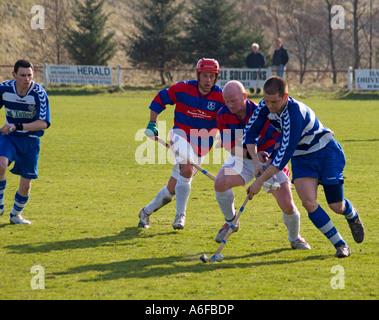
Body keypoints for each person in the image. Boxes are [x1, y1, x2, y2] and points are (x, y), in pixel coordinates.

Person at [243, 76, 364, 258]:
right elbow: (250, 132)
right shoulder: (265, 105)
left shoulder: (295, 114)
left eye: (274, 102)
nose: (270, 106)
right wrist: (255, 161)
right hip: (302, 157)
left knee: (336, 205)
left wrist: (259, 182)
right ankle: (340, 245)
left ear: (285, 96)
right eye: (267, 101)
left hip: (326, 153)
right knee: (308, 202)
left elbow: (282, 157)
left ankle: (352, 216)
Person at [214, 80, 310, 250]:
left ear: (244, 96)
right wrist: (253, 156)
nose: (229, 105)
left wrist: (268, 160)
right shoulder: (222, 115)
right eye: (226, 101)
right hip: (244, 159)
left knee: (287, 205)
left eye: (233, 101)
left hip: (270, 160)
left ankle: (295, 238)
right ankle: (231, 222)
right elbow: (229, 146)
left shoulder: (264, 110)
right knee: (220, 183)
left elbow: (281, 142)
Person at [138, 58, 225, 230]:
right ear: (198, 75)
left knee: (172, 189)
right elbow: (159, 99)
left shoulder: (221, 97)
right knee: (187, 168)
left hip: (202, 146)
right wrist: (152, 123)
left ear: (216, 78)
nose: (208, 80)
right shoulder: (183, 88)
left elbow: (233, 116)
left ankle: (145, 212)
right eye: (204, 76)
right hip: (180, 136)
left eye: (212, 77)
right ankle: (180, 215)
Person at [0, 59, 51, 224]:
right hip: (10, 138)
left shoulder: (39, 94)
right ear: (14, 75)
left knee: (25, 186)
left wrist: (16, 125)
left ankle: (15, 215)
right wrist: (11, 128)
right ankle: (0, 204)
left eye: (30, 75)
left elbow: (43, 123)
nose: (27, 79)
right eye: (22, 75)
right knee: (0, 165)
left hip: (30, 141)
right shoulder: (4, 89)